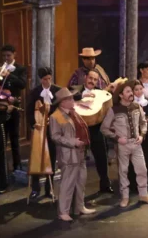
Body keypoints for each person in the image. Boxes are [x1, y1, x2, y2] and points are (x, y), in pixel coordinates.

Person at [100, 80, 148, 207]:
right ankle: (125, 197)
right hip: (123, 145)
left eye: (131, 91)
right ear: (121, 95)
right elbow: (104, 128)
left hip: (136, 143)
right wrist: (117, 138)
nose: (131, 93)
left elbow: (143, 122)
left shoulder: (137, 107)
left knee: (142, 169)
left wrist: (142, 135)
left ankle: (143, 194)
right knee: (123, 171)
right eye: (128, 92)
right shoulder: (114, 110)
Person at [49, 88, 97, 222]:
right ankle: (63, 212)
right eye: (69, 99)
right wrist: (72, 142)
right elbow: (55, 136)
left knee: (81, 181)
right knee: (67, 184)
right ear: (62, 102)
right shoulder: (56, 116)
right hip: (69, 155)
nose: (72, 100)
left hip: (80, 152)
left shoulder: (74, 113)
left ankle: (79, 207)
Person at [71, 70, 113, 193]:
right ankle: (75, 189)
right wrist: (83, 96)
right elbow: (68, 98)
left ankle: (105, 184)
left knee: (101, 156)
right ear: (85, 77)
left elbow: (106, 109)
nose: (92, 81)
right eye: (90, 78)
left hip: (96, 128)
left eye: (95, 79)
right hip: (78, 129)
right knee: (78, 159)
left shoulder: (100, 93)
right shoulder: (75, 89)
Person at [26, 67, 60, 199]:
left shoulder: (57, 90)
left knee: (51, 157)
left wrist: (53, 120)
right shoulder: (35, 92)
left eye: (49, 79)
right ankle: (35, 188)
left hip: (52, 129)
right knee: (37, 157)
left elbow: (60, 109)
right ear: (41, 79)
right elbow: (29, 110)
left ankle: (49, 188)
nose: (48, 81)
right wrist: (33, 123)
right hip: (39, 130)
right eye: (45, 79)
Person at [128, 80, 148, 186]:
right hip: (132, 134)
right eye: (136, 90)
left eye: (140, 89)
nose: (139, 91)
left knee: (147, 156)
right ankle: (133, 182)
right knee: (133, 157)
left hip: (146, 133)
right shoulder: (129, 104)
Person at [0, 44, 27, 171]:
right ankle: (2, 168)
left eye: (8, 55)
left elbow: (22, 84)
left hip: (14, 106)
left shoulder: (20, 68)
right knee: (2, 139)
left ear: (14, 54)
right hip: (1, 107)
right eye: (4, 56)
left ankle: (17, 167)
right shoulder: (0, 67)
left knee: (14, 138)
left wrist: (9, 75)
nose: (6, 58)